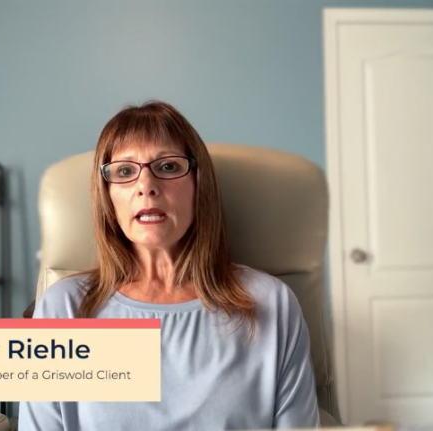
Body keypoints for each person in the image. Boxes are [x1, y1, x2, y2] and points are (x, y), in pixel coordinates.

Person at [18, 100, 321, 431]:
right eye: (124, 171)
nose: (146, 186)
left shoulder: (271, 303)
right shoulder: (62, 307)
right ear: (107, 196)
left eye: (168, 166)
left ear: (199, 185)